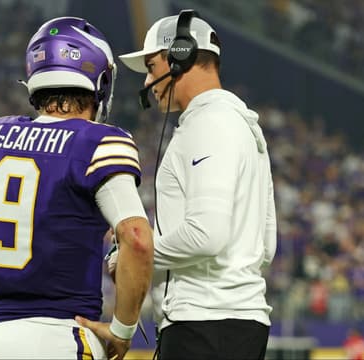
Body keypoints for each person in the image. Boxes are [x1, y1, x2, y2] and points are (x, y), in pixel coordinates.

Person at [0, 16, 153, 360]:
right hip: (64, 336)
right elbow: (137, 238)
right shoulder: (98, 142)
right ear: (99, 79)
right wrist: (122, 331)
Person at [113, 9, 276, 360]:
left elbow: (206, 234)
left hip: (206, 324)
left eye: (152, 67)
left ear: (179, 56)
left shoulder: (209, 124)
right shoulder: (239, 124)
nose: (146, 83)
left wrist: (135, 253)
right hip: (231, 323)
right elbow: (267, 245)